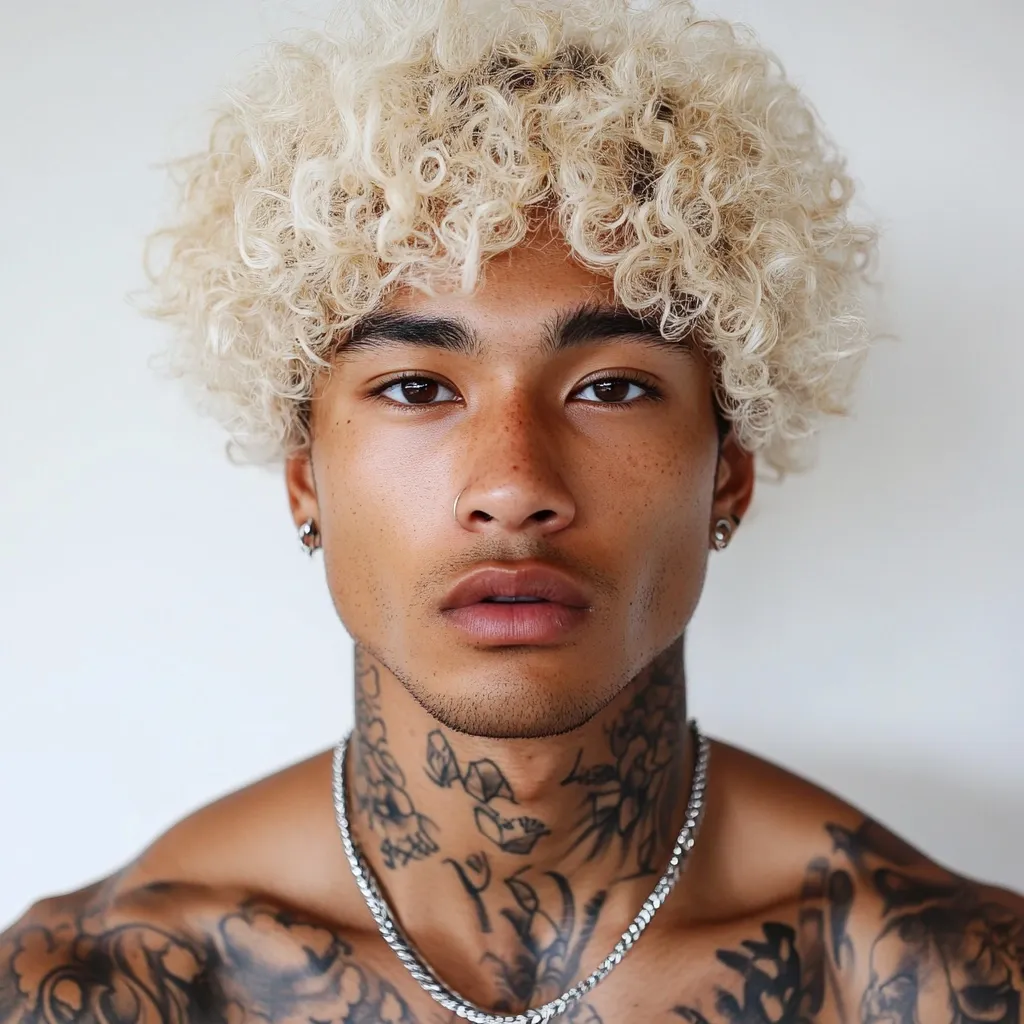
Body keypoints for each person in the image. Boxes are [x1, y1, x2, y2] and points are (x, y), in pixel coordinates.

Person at [3, 0, 1021, 1021]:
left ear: (727, 475)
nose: (513, 485)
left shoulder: (940, 976)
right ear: (305, 475)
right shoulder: (97, 984)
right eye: (415, 387)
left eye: (612, 386)